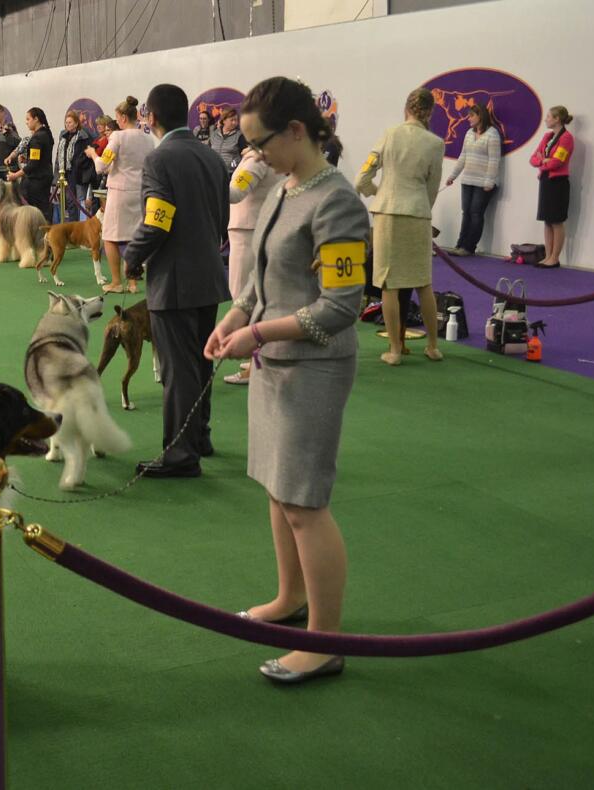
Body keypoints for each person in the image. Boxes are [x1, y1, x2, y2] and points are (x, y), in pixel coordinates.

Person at [206, 76, 370, 685]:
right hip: (274, 363)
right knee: (278, 491)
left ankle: (325, 641)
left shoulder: (338, 203)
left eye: (260, 144)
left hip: (315, 369)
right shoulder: (282, 186)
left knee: (305, 503)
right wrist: (233, 319)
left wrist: (259, 335)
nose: (254, 156)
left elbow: (341, 307)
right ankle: (289, 599)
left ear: (298, 131)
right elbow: (257, 277)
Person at [121, 83, 229, 478]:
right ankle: (199, 437)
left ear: (151, 116)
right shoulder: (213, 158)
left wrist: (133, 258)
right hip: (210, 277)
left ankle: (181, 455)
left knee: (177, 370)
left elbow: (157, 221)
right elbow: (222, 222)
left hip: (175, 281)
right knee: (200, 364)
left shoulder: (160, 160)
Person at [355, 87, 446, 366]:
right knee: (424, 282)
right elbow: (432, 188)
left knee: (388, 283)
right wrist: (420, 208)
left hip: (387, 213)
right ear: (430, 112)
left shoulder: (389, 134)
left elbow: (361, 179)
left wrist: (377, 191)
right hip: (418, 213)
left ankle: (394, 350)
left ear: (406, 108)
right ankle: (432, 346)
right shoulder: (435, 143)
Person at [222, 146, 284, 385]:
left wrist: (209, 179)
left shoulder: (255, 160)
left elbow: (235, 192)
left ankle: (252, 364)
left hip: (248, 232)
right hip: (252, 229)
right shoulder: (264, 157)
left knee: (244, 299)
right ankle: (255, 359)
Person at [86, 96, 155, 294]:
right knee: (135, 237)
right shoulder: (147, 138)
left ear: (124, 117)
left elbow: (101, 166)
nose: (116, 122)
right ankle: (133, 283)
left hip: (120, 193)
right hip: (141, 192)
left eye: (117, 118)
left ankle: (117, 282)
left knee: (110, 237)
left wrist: (93, 154)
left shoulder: (117, 137)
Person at [445, 103, 501, 256]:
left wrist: (489, 181)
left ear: (480, 116)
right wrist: (452, 176)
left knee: (476, 213)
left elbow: (494, 160)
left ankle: (469, 248)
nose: (468, 118)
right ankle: (460, 245)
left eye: (471, 115)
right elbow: (463, 156)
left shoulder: (492, 134)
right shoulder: (469, 133)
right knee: (466, 213)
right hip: (467, 180)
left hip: (483, 182)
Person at [528, 105, 575, 269]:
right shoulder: (547, 136)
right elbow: (533, 158)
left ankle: (555, 257)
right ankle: (547, 256)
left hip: (558, 182)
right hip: (546, 181)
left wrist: (546, 160)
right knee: (547, 220)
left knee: (556, 221)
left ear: (557, 119)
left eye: (548, 117)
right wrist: (543, 161)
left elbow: (557, 162)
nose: (546, 119)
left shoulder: (566, 138)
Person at [7, 107, 54, 222]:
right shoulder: (47, 133)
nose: (26, 122)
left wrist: (15, 175)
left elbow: (33, 164)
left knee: (36, 212)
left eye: (28, 119)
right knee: (43, 210)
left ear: (36, 119)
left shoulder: (37, 138)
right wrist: (27, 159)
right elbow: (38, 159)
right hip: (44, 177)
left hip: (37, 181)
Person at [56, 110, 93, 222]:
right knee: (68, 202)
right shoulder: (63, 136)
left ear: (76, 123)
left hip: (78, 175)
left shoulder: (83, 137)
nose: (67, 125)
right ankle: (69, 226)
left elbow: (87, 156)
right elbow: (59, 155)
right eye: (66, 122)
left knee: (78, 202)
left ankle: (79, 228)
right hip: (65, 173)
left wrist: (78, 165)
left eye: (70, 122)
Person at [0, 104, 21, 211]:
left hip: (8, 169)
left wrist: (7, 134)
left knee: (12, 197)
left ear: (3, 114)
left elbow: (18, 143)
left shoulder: (10, 128)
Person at [210, 108, 243, 173]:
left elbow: (245, 153)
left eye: (236, 120)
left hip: (231, 173)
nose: (234, 123)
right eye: (232, 120)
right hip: (214, 172)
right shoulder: (214, 134)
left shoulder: (240, 135)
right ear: (224, 120)